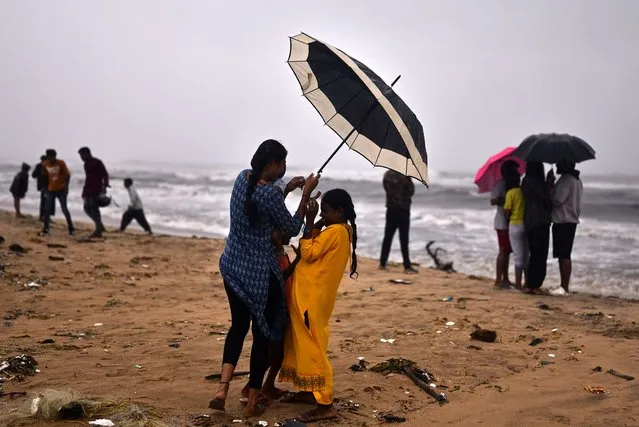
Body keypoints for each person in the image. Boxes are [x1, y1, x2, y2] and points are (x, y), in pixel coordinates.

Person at [209, 139, 317, 418]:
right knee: (262, 333)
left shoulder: (242, 179)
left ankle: (222, 389)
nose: (284, 167)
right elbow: (291, 227)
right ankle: (254, 398)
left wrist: (287, 189)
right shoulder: (269, 195)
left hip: (232, 266)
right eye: (282, 163)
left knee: (237, 327)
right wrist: (305, 195)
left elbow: (259, 207)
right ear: (272, 164)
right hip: (259, 274)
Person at [280, 189, 358, 423]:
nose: (323, 214)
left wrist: (312, 221)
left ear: (339, 211)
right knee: (304, 341)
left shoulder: (334, 232)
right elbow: (315, 248)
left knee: (311, 344)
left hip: (311, 297)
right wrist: (321, 222)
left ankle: (325, 404)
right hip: (315, 296)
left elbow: (308, 251)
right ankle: (307, 390)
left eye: (326, 211)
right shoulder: (344, 230)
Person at [239, 228, 300, 402]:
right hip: (274, 310)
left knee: (279, 352)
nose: (289, 236)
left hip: (282, 307)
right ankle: (250, 388)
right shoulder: (272, 256)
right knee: (273, 351)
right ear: (274, 234)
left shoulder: (279, 252)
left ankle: (267, 386)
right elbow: (282, 276)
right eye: (285, 233)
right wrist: (299, 259)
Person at [551, 159, 583, 293]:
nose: (557, 165)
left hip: (563, 221)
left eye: (559, 163)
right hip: (571, 221)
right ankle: (564, 285)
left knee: (563, 255)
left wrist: (550, 186)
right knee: (565, 254)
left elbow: (557, 200)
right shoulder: (577, 180)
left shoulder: (566, 180)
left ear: (565, 164)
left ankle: (564, 286)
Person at [521, 162, 552, 293]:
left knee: (533, 252)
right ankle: (534, 284)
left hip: (528, 220)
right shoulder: (539, 183)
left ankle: (530, 283)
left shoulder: (525, 181)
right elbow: (545, 199)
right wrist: (549, 184)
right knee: (540, 254)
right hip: (541, 221)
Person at [379, 170, 416, 273]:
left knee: (388, 237)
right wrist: (406, 179)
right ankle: (407, 266)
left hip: (391, 209)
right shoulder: (406, 175)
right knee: (404, 239)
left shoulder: (387, 174)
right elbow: (411, 191)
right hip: (403, 210)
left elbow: (387, 189)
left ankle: (382, 263)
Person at [490, 160, 519, 287]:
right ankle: (498, 280)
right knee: (503, 250)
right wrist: (507, 199)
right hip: (502, 222)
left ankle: (505, 279)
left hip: (509, 222)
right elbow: (493, 201)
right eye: (513, 170)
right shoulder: (500, 185)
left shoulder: (512, 185)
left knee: (507, 251)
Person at [40, 149, 75, 236]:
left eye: (52, 156)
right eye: (49, 157)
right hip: (50, 190)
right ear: (47, 157)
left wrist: (66, 188)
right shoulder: (45, 164)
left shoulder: (61, 163)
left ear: (55, 156)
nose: (51, 159)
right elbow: (44, 177)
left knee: (64, 209)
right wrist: (45, 189)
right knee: (47, 210)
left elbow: (67, 175)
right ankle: (46, 228)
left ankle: (71, 227)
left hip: (61, 189)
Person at [503, 168, 528, 289]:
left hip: (514, 224)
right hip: (525, 224)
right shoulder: (524, 191)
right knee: (526, 255)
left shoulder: (510, 193)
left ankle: (518, 284)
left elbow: (507, 211)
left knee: (518, 256)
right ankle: (527, 282)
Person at [78, 147, 109, 239]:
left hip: (97, 189)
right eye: (80, 156)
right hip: (88, 189)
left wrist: (105, 186)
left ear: (87, 153)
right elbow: (88, 178)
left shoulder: (97, 162)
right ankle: (99, 226)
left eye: (82, 155)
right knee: (86, 208)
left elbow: (105, 174)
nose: (81, 157)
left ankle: (98, 231)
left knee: (95, 209)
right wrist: (84, 190)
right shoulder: (85, 164)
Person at [32, 155, 54, 221]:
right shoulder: (42, 166)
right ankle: (43, 217)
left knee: (45, 202)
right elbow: (34, 175)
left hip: (46, 187)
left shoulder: (39, 166)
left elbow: (33, 175)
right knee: (46, 202)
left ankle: (43, 216)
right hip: (45, 187)